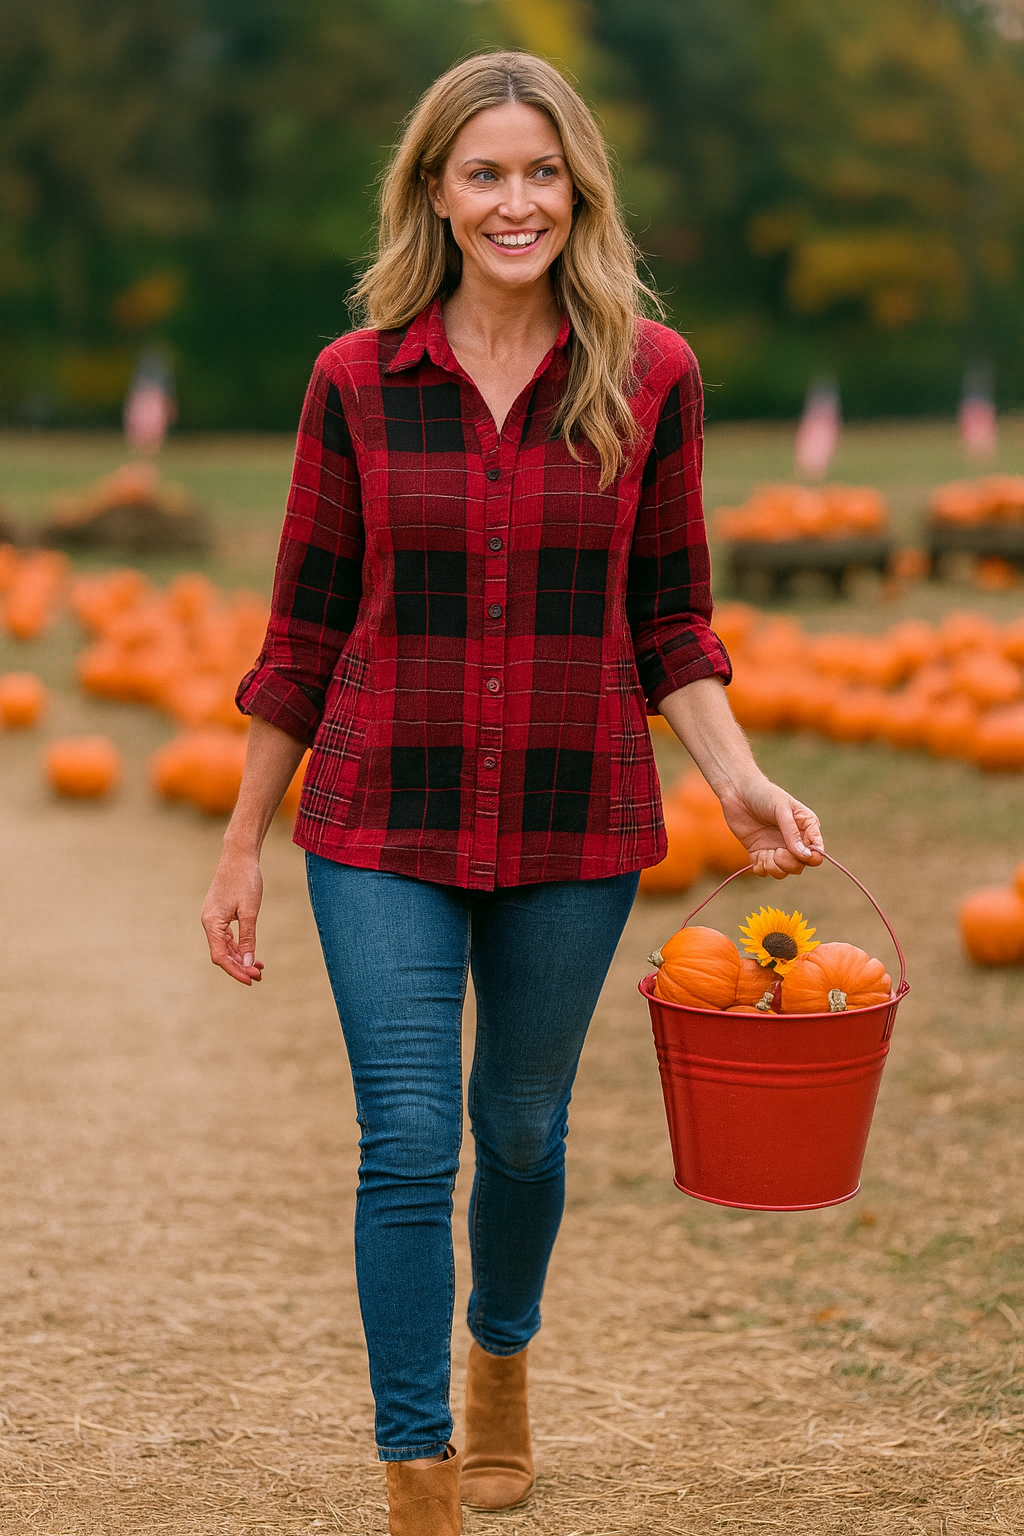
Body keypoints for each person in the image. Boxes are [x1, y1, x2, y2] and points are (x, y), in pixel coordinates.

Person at [201, 50, 824, 1536]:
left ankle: (500, 1360)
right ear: (434, 189)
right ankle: (416, 1473)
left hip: (574, 816)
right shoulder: (356, 382)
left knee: (524, 1129)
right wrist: (241, 844)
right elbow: (303, 631)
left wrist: (737, 778)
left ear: (580, 191)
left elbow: (670, 618)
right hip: (380, 817)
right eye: (484, 172)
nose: (515, 201)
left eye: (543, 172)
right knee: (409, 1140)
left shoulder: (648, 376)